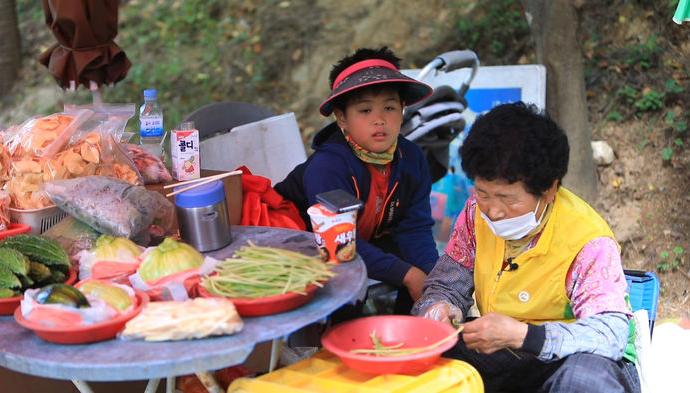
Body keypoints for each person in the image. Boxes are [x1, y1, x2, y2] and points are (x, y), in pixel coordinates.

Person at [412, 102, 640, 393]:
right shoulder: (474, 215)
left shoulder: (587, 241)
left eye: (508, 199)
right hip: (508, 350)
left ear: (548, 190)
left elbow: (610, 334)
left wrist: (525, 335)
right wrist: (440, 307)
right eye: (483, 193)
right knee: (425, 350)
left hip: (580, 358)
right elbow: (446, 284)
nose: (493, 211)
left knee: (583, 382)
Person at [274, 46, 438, 314]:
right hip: (310, 246)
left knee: (432, 276)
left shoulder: (412, 158)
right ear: (342, 119)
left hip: (365, 240)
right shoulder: (329, 166)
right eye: (364, 111)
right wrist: (407, 275)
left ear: (403, 110)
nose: (380, 120)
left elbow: (415, 229)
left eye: (389, 107)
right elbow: (339, 246)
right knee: (346, 288)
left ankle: (411, 333)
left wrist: (435, 278)